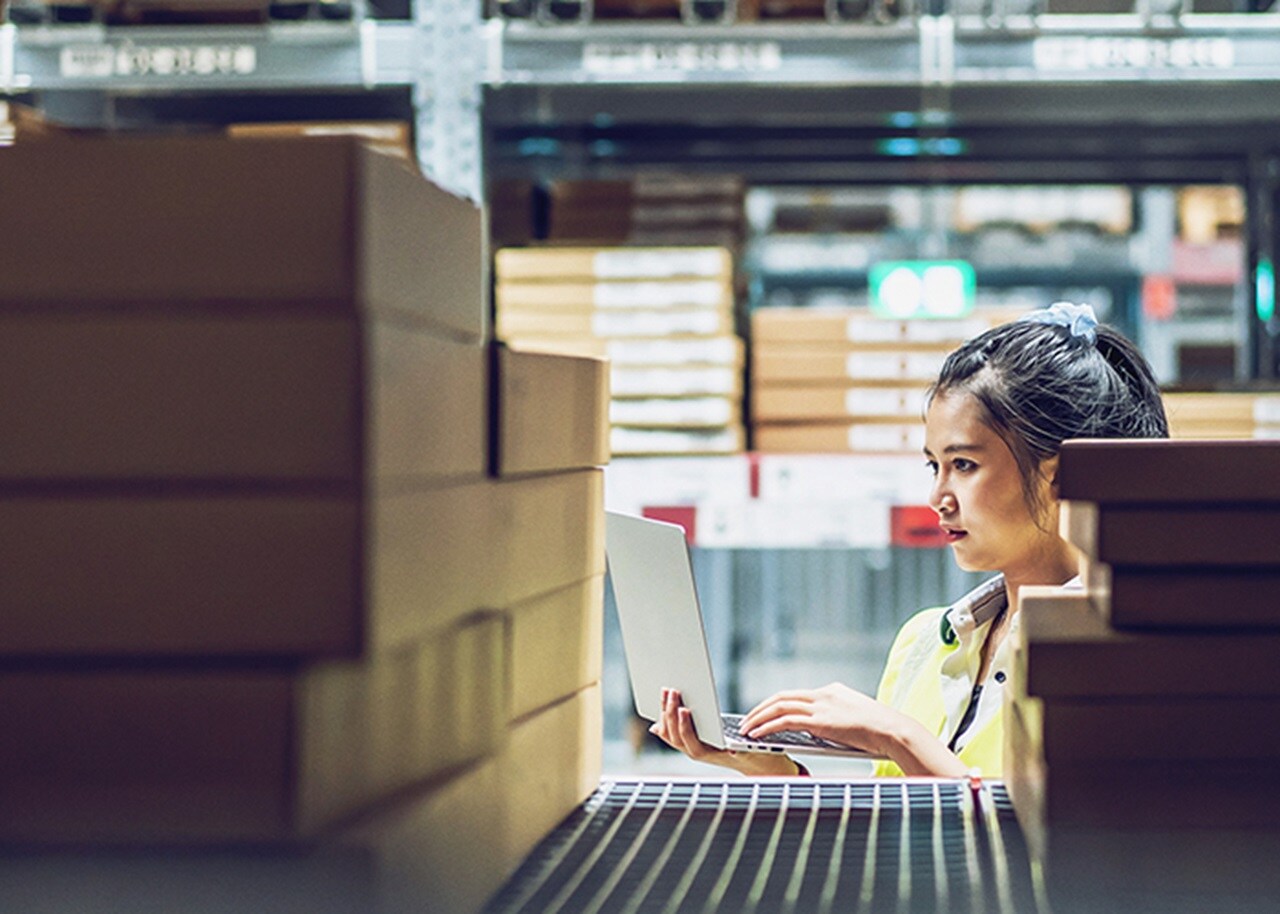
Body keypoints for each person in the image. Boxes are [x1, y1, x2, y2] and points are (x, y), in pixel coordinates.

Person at [650, 302, 1169, 778]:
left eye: (963, 465)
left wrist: (897, 736)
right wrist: (768, 768)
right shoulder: (924, 641)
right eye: (934, 465)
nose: (938, 496)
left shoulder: (1118, 655)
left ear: (1060, 476)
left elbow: (1046, 851)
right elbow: (891, 836)